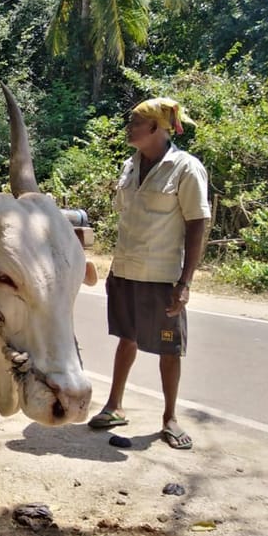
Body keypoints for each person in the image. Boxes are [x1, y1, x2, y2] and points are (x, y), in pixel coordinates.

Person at [87, 98, 210, 450]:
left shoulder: (186, 168)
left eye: (136, 123)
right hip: (126, 270)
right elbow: (127, 220)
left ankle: (169, 417)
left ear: (156, 128)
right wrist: (113, 269)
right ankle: (114, 406)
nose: (129, 128)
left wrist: (185, 283)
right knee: (126, 338)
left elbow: (197, 225)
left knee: (169, 349)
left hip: (163, 276)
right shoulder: (130, 164)